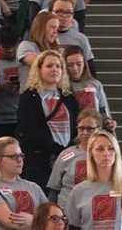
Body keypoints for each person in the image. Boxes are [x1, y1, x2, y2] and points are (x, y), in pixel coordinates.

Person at [16, 50, 79, 191]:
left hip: (67, 160)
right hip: (40, 162)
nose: (54, 69)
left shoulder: (68, 96)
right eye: (49, 66)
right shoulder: (29, 97)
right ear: (39, 69)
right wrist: (58, 150)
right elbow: (30, 131)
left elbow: (76, 128)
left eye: (58, 66)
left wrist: (67, 151)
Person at [66, 131, 122, 230]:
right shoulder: (78, 190)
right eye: (100, 149)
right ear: (91, 153)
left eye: (111, 148)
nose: (106, 153)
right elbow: (72, 227)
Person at [0, 136, 48, 229]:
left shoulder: (33, 187)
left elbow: (52, 220)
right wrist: (38, 222)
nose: (19, 160)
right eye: (13, 156)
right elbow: (13, 223)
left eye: (21, 155)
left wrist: (33, 221)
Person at [46, 108, 103, 211]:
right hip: (67, 212)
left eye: (90, 128)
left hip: (95, 212)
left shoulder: (108, 154)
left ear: (99, 129)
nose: (84, 132)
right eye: (81, 128)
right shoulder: (65, 155)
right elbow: (53, 191)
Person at [63, 46, 115, 131]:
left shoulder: (95, 84)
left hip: (95, 131)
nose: (75, 69)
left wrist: (109, 122)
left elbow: (103, 111)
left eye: (79, 64)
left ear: (84, 64)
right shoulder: (61, 86)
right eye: (70, 65)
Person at [0, 25, 24, 144]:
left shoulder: (24, 60)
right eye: (5, 47)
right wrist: (0, 88)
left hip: (20, 117)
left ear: (18, 42)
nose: (10, 51)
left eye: (13, 47)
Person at [49, 0, 96, 75]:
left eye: (68, 12)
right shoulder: (43, 37)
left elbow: (90, 68)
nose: (64, 16)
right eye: (59, 11)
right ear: (50, 12)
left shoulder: (81, 39)